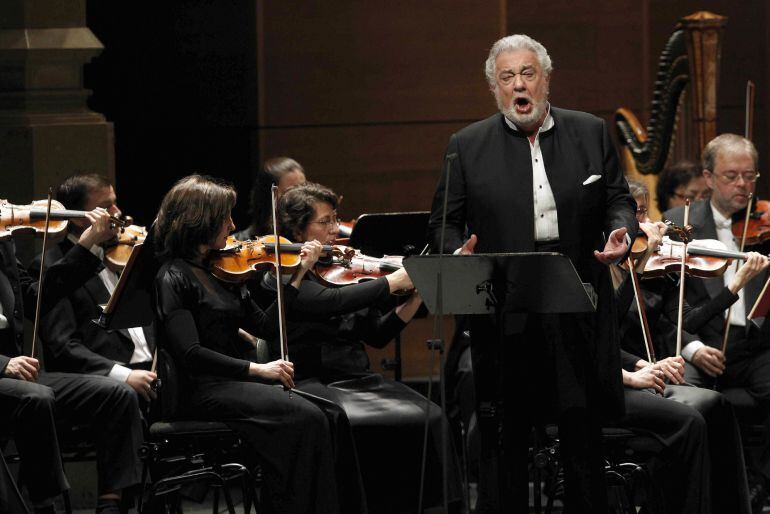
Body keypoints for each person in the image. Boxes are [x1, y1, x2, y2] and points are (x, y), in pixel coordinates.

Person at [427, 34, 638, 513]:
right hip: (505, 311)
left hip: (577, 303)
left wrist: (620, 232)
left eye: (527, 74)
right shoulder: (466, 145)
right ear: (494, 89)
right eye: (507, 78)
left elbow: (617, 200)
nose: (518, 85)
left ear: (546, 79)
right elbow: (443, 223)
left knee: (581, 431)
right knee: (506, 436)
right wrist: (457, 254)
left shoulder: (590, 131)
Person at [153, 174, 360, 514]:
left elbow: (265, 326)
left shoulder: (223, 272)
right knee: (307, 418)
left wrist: (297, 276)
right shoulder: (173, 276)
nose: (233, 225)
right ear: (201, 220)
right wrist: (259, 369)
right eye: (225, 218)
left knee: (332, 414)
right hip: (203, 389)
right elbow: (190, 354)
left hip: (233, 384)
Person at [263, 182, 460, 514]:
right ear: (298, 228)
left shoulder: (343, 271)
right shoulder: (282, 275)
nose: (334, 229)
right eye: (324, 222)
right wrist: (388, 283)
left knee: (432, 417)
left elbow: (377, 335)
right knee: (360, 428)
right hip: (313, 382)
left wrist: (415, 299)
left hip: (359, 377)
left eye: (334, 219)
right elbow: (328, 302)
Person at [614, 179, 765, 514]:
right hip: (622, 375)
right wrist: (640, 366)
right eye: (636, 212)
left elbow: (688, 322)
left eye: (645, 210)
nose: (648, 222)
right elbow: (602, 337)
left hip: (648, 368)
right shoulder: (608, 268)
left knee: (718, 406)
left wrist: (735, 285)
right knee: (694, 412)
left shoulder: (658, 271)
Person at [0, 206, 142, 514]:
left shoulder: (3, 246)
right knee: (36, 396)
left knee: (117, 393)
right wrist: (2, 364)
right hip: (5, 373)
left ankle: (111, 505)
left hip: (17, 375)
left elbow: (37, 297)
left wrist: (86, 246)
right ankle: (45, 505)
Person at [663, 133, 770, 510]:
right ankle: (697, 496)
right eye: (731, 176)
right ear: (708, 179)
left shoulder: (765, 222)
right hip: (700, 343)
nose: (743, 185)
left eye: (749, 176)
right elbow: (665, 305)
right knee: (684, 404)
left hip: (754, 346)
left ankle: (760, 482)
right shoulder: (680, 223)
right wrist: (691, 349)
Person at [31, 174, 157, 402]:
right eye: (106, 207)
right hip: (106, 381)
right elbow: (63, 345)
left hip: (152, 371)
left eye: (115, 202)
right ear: (80, 219)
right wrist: (124, 375)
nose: (117, 212)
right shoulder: (50, 267)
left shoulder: (126, 251)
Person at [233, 157, 307, 240]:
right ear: (268, 195)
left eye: (303, 190)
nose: (300, 198)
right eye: (291, 192)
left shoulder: (307, 239)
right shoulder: (239, 242)